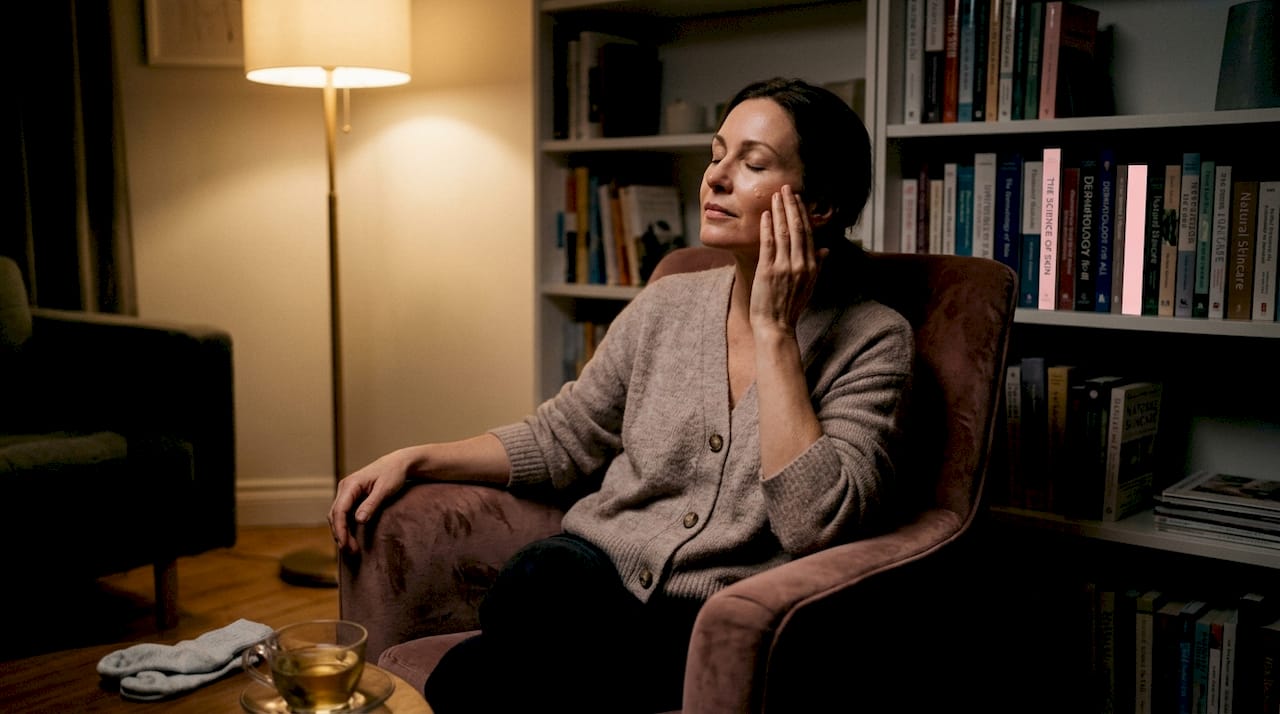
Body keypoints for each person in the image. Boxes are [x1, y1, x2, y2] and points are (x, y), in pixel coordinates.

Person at [329, 77, 914, 713]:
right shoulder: (668, 304)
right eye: (717, 154)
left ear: (820, 205)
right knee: (541, 580)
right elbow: (564, 435)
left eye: (752, 163)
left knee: (478, 671)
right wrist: (417, 457)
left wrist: (775, 334)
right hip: (587, 583)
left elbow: (817, 525)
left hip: (709, 622)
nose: (715, 177)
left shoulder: (874, 338)